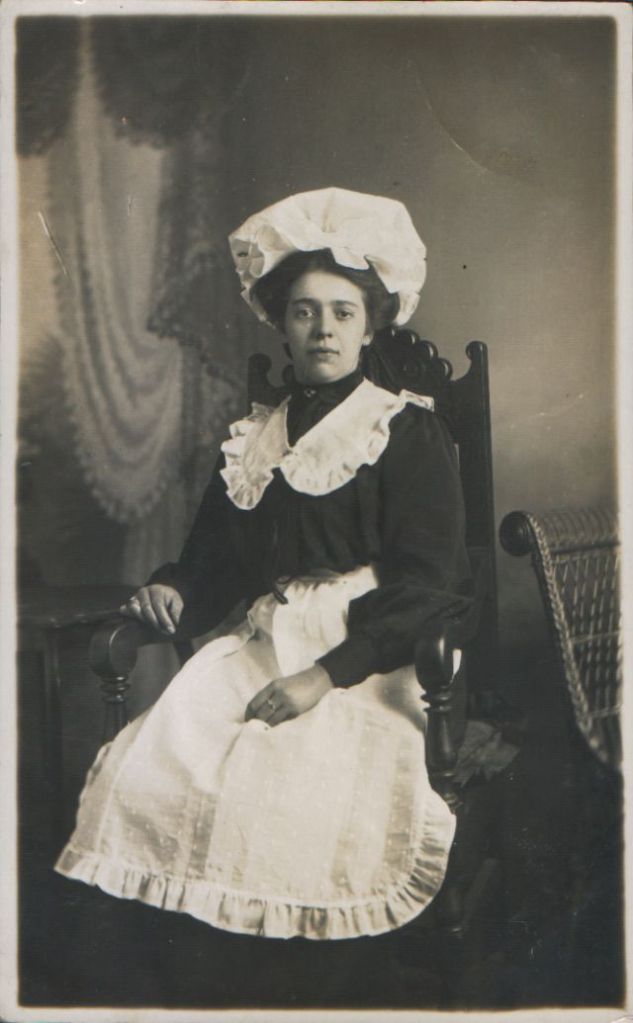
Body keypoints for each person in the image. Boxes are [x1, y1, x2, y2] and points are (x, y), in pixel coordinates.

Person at [55, 187, 473, 942]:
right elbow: (213, 560)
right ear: (282, 323)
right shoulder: (257, 435)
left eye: (343, 312)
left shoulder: (402, 429)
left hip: (372, 649)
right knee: (159, 760)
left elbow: (429, 584)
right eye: (305, 311)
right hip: (265, 637)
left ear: (369, 324)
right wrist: (173, 588)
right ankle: (204, 954)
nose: (324, 328)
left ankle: (306, 964)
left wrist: (324, 676)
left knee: (298, 783)